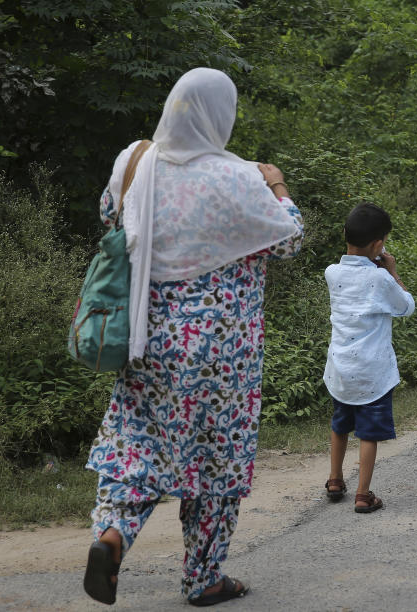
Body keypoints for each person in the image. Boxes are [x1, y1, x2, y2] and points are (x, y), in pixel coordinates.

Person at [82, 68, 303, 606]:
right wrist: (276, 182)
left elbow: (111, 215)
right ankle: (203, 577)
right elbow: (289, 239)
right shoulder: (240, 179)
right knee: (216, 459)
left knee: (137, 446)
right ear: (219, 114)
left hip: (146, 340)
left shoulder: (136, 159)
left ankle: (111, 536)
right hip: (222, 354)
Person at [323, 203, 415, 513]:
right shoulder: (380, 278)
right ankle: (364, 494)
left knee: (340, 425)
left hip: (340, 367)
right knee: (368, 433)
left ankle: (335, 480)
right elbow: (405, 307)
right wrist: (392, 271)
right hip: (372, 372)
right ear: (378, 245)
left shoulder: (331, 272)